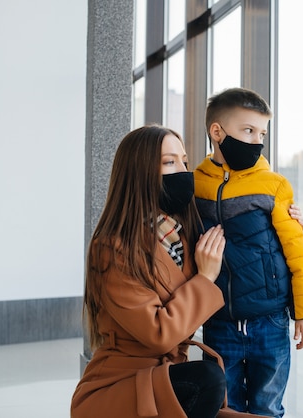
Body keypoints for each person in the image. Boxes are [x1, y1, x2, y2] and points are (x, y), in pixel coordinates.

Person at [71, 124, 234, 418]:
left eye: (184, 161)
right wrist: (205, 278)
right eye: (169, 162)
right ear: (139, 172)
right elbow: (159, 334)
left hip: (170, 378)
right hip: (121, 385)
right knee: (208, 380)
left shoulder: (182, 234)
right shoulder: (111, 246)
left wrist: (282, 216)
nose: (184, 171)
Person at [194, 87, 303, 417]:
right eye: (248, 130)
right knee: (224, 408)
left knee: (268, 407)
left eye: (262, 133)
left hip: (270, 322)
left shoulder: (273, 185)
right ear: (217, 131)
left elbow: (298, 253)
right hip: (219, 321)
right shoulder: (194, 184)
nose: (256, 140)